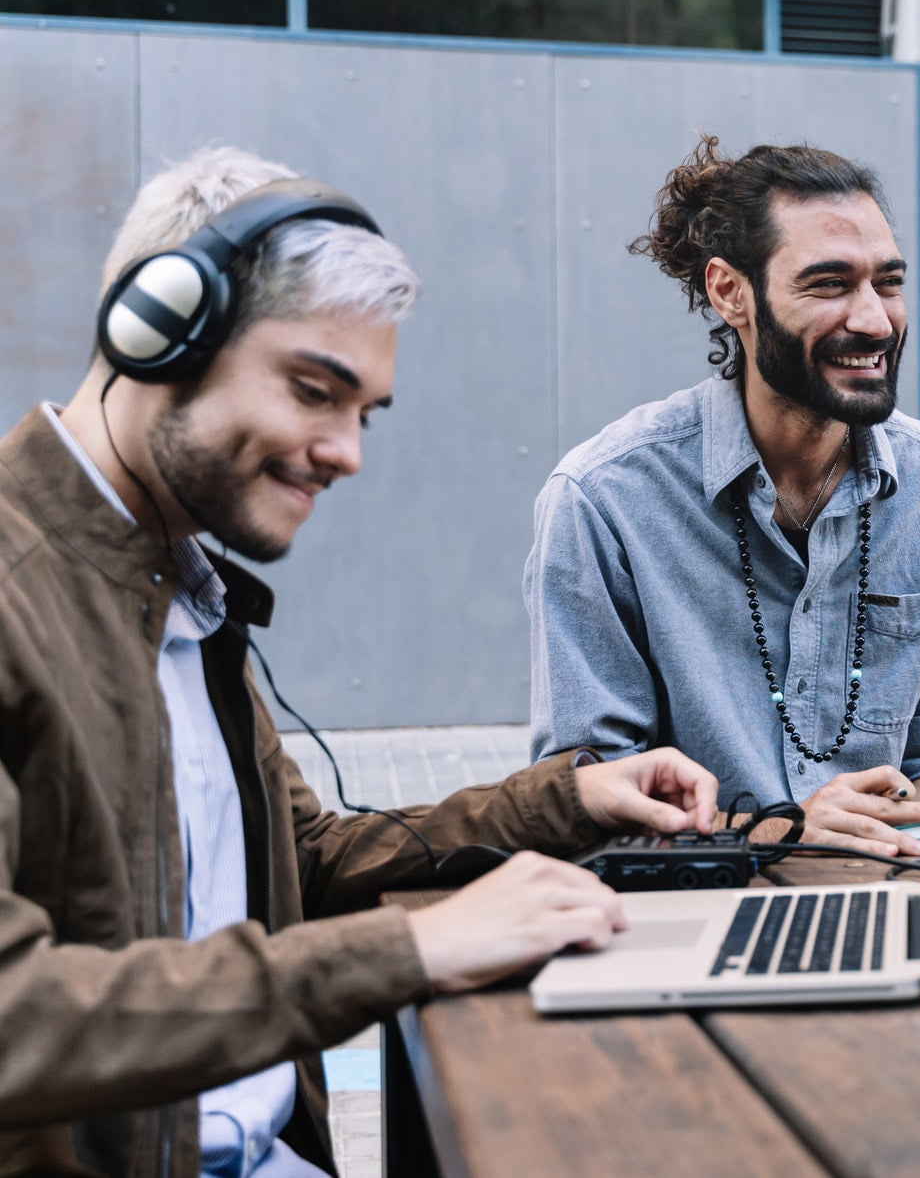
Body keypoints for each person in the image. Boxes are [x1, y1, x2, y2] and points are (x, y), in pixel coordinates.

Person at [0, 148, 723, 1177]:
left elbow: (308, 862)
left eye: (363, 412)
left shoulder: (176, 589)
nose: (347, 453)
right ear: (162, 330)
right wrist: (410, 951)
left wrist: (568, 801)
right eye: (313, 390)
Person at [525, 137, 920, 857]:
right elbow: (588, 809)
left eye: (887, 282)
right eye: (829, 284)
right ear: (730, 292)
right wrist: (783, 835)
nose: (874, 320)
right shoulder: (603, 501)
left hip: (891, 883)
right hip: (701, 898)